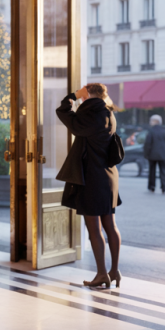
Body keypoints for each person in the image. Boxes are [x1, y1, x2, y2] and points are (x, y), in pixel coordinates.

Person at [56, 83, 123, 290]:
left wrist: (74, 96)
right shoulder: (108, 114)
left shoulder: (90, 114)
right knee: (110, 225)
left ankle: (102, 273)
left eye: (84, 93)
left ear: (88, 95)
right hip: (108, 176)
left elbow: (62, 111)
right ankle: (114, 271)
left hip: (92, 177)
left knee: (94, 228)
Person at [144, 114, 165, 193]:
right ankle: (164, 187)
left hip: (152, 154)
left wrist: (146, 154)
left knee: (152, 171)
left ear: (154, 121)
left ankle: (151, 186)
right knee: (163, 170)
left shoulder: (151, 131)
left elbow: (148, 144)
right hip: (163, 154)